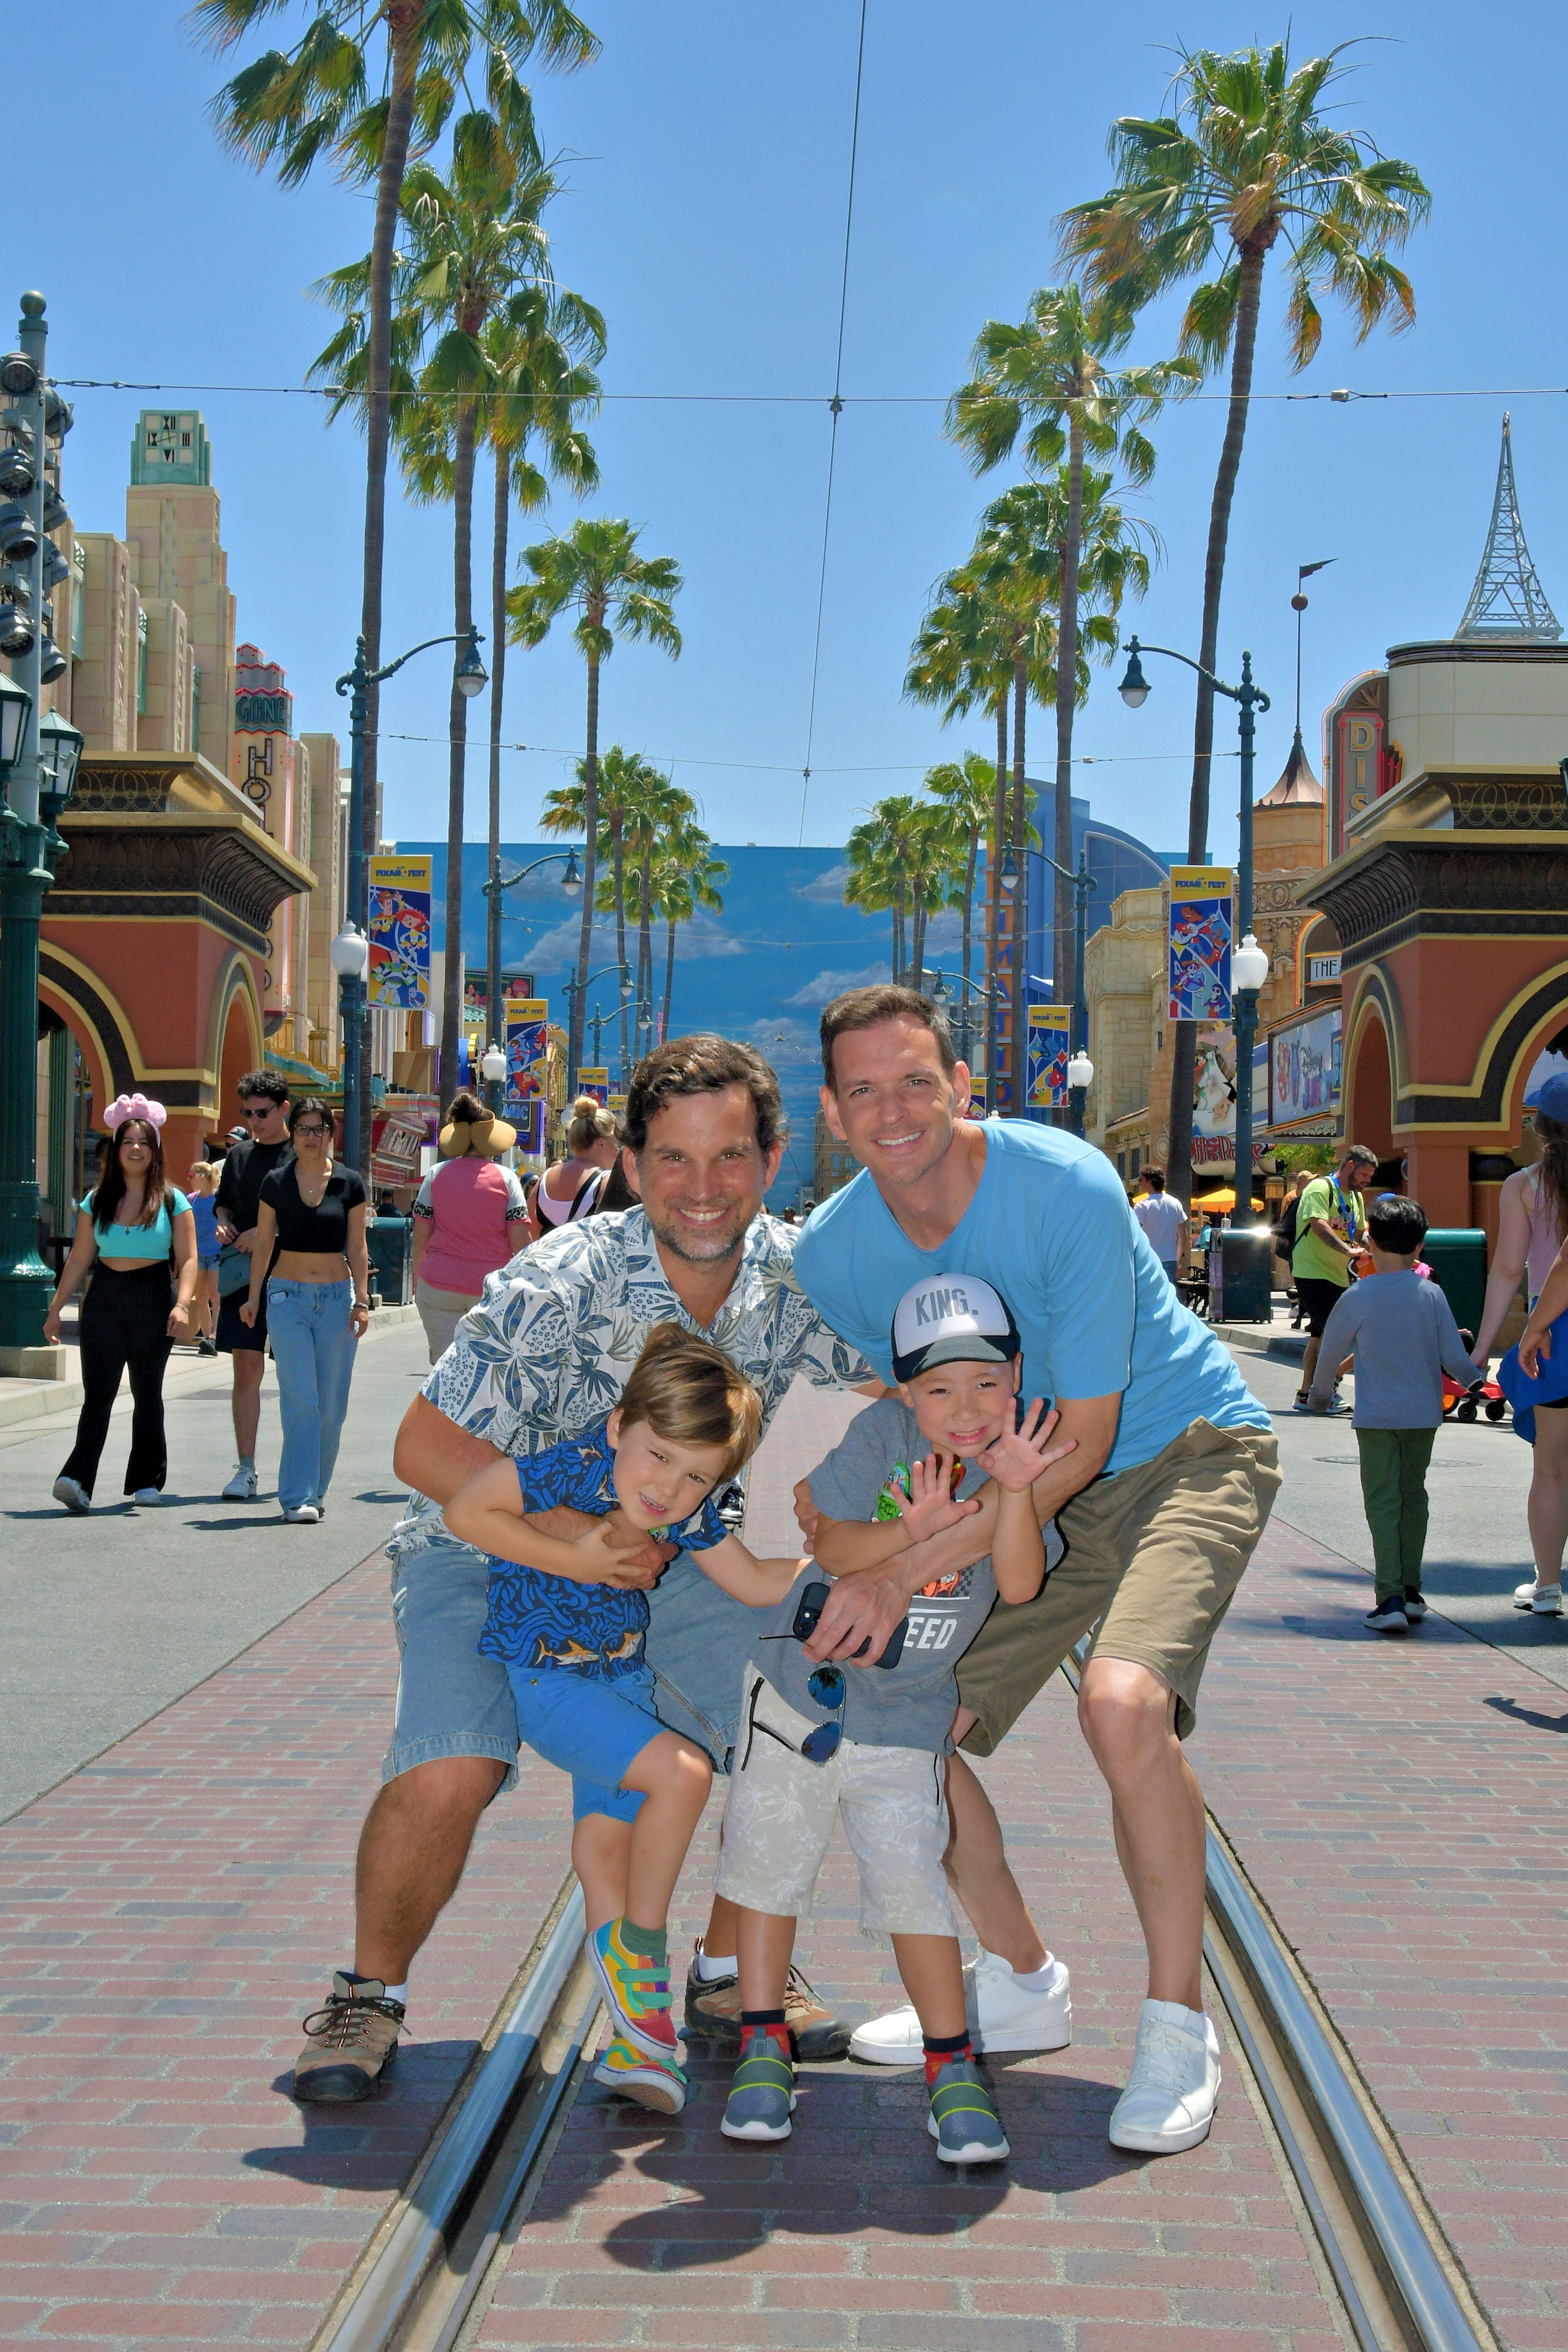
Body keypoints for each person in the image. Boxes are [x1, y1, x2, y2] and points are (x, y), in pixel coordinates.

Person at [288, 1037, 887, 2106]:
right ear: (633, 1158)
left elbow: (894, 1389)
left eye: (731, 1158)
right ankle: (366, 1992)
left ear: (771, 1158)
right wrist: (576, 1534)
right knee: (450, 1768)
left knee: (800, 1705)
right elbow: (424, 1453)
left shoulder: (805, 1283)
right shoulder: (559, 1279)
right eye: (673, 1159)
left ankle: (723, 1966)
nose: (703, 1190)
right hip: (490, 1546)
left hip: (672, 1561)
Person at [792, 984, 1279, 2156]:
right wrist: (847, 1544)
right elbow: (910, 1412)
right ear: (833, 1110)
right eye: (864, 1089)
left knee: (1121, 1708)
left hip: (1176, 1452)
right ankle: (1021, 1984)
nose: (894, 1109)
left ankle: (1177, 2025)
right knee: (903, 1734)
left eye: (917, 1079)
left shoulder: (1064, 1182)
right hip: (1015, 1491)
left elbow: (1093, 1436)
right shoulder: (835, 1253)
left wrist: (907, 1571)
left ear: (963, 1084)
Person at [718, 1273, 1070, 2164]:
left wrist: (1015, 1495)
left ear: (1017, 1376)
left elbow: (1021, 1582)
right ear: (905, 1390)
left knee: (914, 1880)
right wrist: (914, 1537)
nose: (965, 1409)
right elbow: (829, 1543)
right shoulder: (879, 1434)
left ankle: (952, 2072)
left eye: (986, 1385)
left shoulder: (1017, 1461)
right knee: (769, 1865)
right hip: (801, 1690)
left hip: (910, 1711)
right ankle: (764, 2047)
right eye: (939, 1389)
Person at [445, 1323, 808, 2116]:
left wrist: (851, 1562)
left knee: (606, 1841)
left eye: (696, 1477)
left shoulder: (683, 1511)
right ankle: (641, 1944)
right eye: (658, 1456)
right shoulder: (571, 1467)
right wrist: (573, 1557)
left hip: (622, 1680)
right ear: (618, 1428)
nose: (668, 1489)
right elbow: (469, 1508)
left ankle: (639, 2050)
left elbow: (753, 1583)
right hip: (549, 1679)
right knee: (682, 1773)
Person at [1304, 1197, 1478, 1635]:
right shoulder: (1431, 1293)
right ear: (1419, 1247)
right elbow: (1453, 1358)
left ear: (1368, 1241)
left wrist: (1319, 1397)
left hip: (1376, 1417)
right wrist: (1478, 1383)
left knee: (1382, 1502)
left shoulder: (1358, 1295)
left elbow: (1329, 1355)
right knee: (1413, 1496)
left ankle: (1389, 1598)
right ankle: (1412, 1589)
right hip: (1422, 1416)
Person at [45, 1095, 198, 1513]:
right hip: (106, 1296)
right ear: (116, 1149)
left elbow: (187, 1259)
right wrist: (56, 1307)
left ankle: (147, 1480)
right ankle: (78, 1480)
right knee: (99, 1393)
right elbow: (79, 1257)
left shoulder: (173, 1200)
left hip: (153, 1296)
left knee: (147, 1391)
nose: (135, 1149)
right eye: (128, 1141)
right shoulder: (96, 1200)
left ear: (155, 1151)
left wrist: (182, 1305)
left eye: (144, 1142)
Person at [238, 1097, 370, 1525]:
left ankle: (316, 1488)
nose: (311, 1138)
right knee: (301, 1399)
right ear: (292, 1134)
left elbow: (357, 1246)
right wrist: (254, 1297)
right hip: (286, 1298)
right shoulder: (276, 1182)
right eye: (304, 1129)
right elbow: (264, 1244)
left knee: (332, 1407)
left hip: (337, 1298)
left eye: (319, 1129)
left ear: (331, 1133)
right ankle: (297, 1497)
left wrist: (363, 1299)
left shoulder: (349, 1183)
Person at [1472, 1074, 1568, 1616]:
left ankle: (1548, 1585)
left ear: (1542, 1128)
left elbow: (1509, 1269)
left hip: (1553, 1335)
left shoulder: (1524, 1186)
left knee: (1551, 1467)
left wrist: (1482, 1347)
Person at [213, 1071, 293, 1500]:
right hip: (243, 1280)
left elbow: (308, 1213)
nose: (255, 1121)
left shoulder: (301, 1154)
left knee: (298, 1374)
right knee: (245, 1367)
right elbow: (224, 1202)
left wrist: (267, 1235)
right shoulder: (240, 1155)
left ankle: (299, 1468)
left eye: (262, 1113)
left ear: (284, 1108)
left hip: (290, 1277)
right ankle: (246, 1468)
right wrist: (225, 1222)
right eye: (247, 1113)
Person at [410, 1091, 528, 1364]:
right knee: (486, 1373)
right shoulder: (507, 1179)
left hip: (438, 1287)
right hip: (490, 1289)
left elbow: (421, 1237)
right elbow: (522, 1242)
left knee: (445, 1372)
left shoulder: (436, 1175)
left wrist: (420, 1281)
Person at [1290, 1145, 1379, 1413]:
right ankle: (1323, 1392)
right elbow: (1319, 1225)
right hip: (1312, 1270)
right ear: (1350, 1166)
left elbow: (1360, 1232)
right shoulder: (1320, 1188)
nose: (1367, 1181)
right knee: (1330, 1333)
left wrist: (1376, 1249)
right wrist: (1348, 1251)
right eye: (1364, 1174)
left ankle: (1307, 1394)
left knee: (1320, 1334)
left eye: (1370, 1177)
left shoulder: (1356, 1197)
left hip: (1339, 1274)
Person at [534, 1095, 621, 1228]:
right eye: (616, 1145)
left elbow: (530, 1236)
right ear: (601, 1143)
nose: (618, 1152)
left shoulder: (543, 1181)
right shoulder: (607, 1183)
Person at [186, 1162, 223, 1353]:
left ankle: (216, 1336)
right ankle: (207, 1337)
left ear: (202, 1176)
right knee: (201, 1297)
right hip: (199, 1254)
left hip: (217, 1254)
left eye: (192, 1176)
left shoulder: (219, 1198)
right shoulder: (191, 1199)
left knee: (216, 1298)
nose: (190, 1180)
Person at [1132, 1169, 1186, 1285]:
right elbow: (1183, 1235)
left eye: (1141, 1180)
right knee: (1168, 1295)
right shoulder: (1175, 1203)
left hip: (1149, 1259)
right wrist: (1178, 1260)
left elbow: (1135, 1235)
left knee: (1148, 1297)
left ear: (1149, 1181)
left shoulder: (1142, 1206)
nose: (1139, 1183)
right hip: (1170, 1259)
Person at [1273, 1175, 1307, 1323]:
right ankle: (1296, 1308)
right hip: (1295, 1244)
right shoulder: (1291, 1197)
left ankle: (1302, 1308)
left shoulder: (1309, 1197)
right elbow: (1285, 1221)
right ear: (1302, 1183)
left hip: (1305, 1245)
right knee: (1297, 1277)